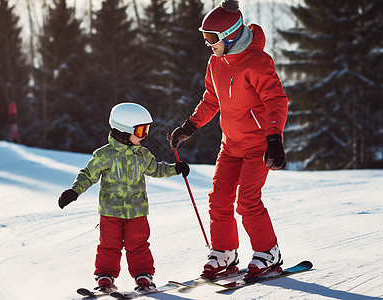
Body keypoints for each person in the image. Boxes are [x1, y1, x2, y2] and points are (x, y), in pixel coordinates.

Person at [169, 0, 288, 279]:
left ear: (231, 35)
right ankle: (224, 252)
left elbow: (276, 101)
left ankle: (268, 252)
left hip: (258, 145)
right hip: (230, 144)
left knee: (247, 201)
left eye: (211, 38)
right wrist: (190, 126)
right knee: (219, 200)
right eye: (204, 37)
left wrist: (274, 139)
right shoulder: (216, 62)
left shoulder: (258, 62)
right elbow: (211, 99)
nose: (208, 44)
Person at [58, 102, 190, 292]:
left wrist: (175, 169)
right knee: (108, 246)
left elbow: (156, 169)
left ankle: (143, 276)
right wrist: (74, 191)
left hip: (137, 211)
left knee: (138, 245)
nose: (144, 136)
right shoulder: (105, 155)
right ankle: (105, 277)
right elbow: (88, 175)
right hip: (110, 212)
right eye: (141, 130)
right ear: (122, 131)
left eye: (147, 130)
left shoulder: (143, 154)